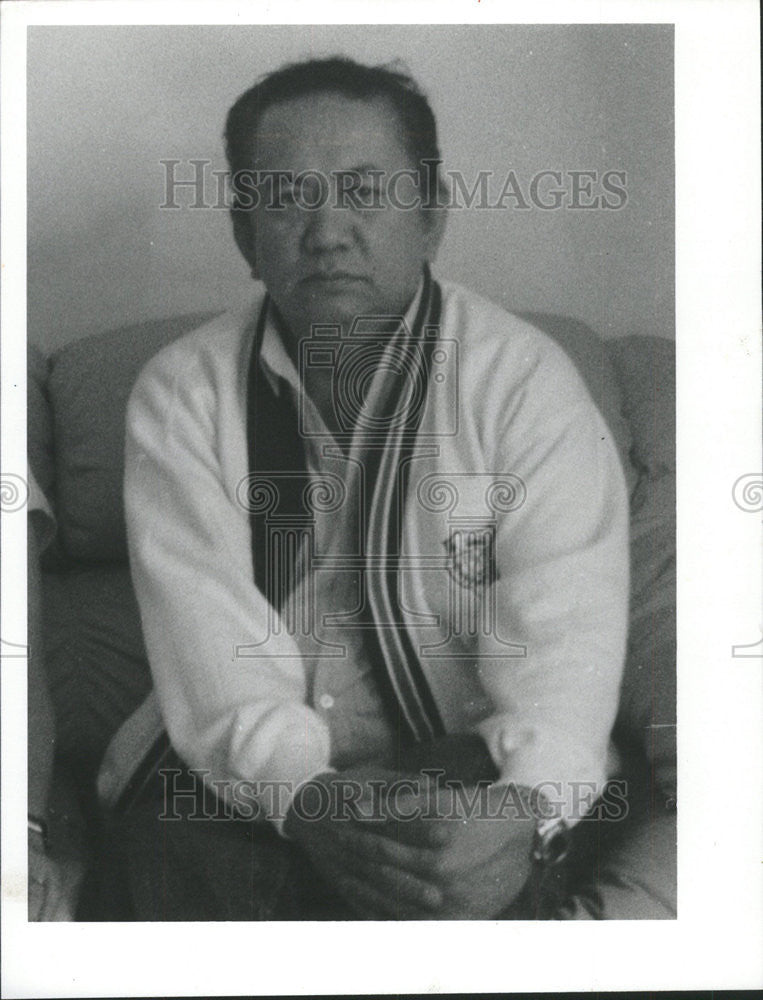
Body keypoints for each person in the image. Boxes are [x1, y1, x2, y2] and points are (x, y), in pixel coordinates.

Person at [100, 57, 630, 919]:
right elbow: (209, 644)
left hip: (467, 756)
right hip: (258, 767)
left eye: (363, 191)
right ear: (243, 231)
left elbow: (564, 645)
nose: (326, 230)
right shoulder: (183, 391)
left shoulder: (522, 379)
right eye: (286, 197)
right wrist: (307, 800)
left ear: (432, 215)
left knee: (476, 882)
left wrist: (519, 813)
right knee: (174, 873)